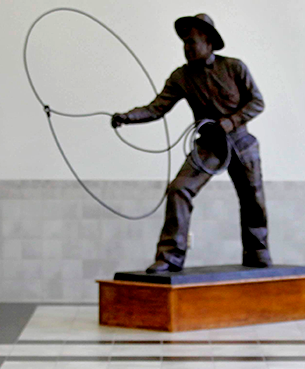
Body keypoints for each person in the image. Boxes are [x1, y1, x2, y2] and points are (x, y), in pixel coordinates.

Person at [111, 14, 271, 274]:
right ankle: (170, 256)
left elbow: (257, 102)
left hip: (241, 142)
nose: (186, 47)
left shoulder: (234, 67)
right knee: (178, 189)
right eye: (184, 43)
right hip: (209, 145)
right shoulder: (181, 77)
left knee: (253, 199)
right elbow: (156, 108)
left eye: (192, 42)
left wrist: (231, 122)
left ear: (208, 42)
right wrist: (126, 117)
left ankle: (258, 252)